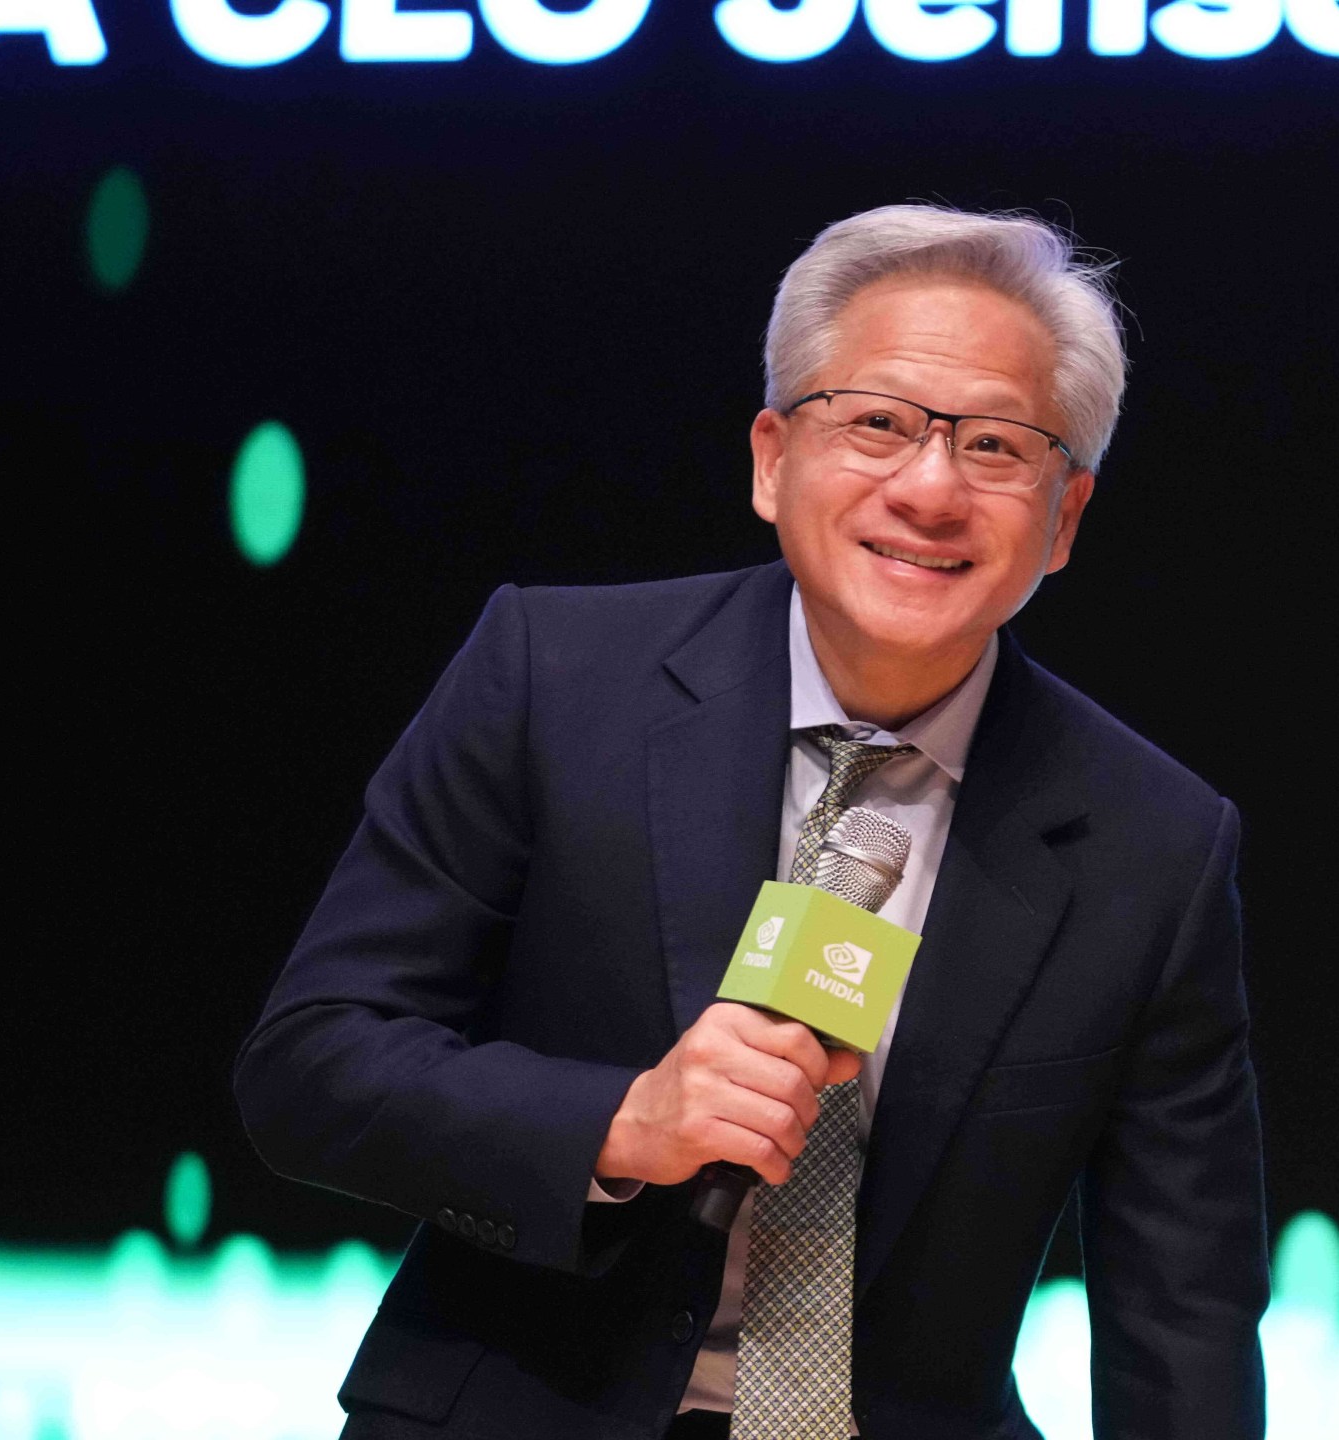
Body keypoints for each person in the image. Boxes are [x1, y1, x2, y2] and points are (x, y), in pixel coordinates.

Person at [235, 204, 1269, 1440]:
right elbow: (310, 1068)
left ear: (1065, 519)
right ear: (772, 459)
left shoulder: (1154, 842)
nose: (929, 488)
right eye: (877, 423)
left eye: (996, 445)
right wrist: (622, 1123)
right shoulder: (554, 678)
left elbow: (1184, 1311)